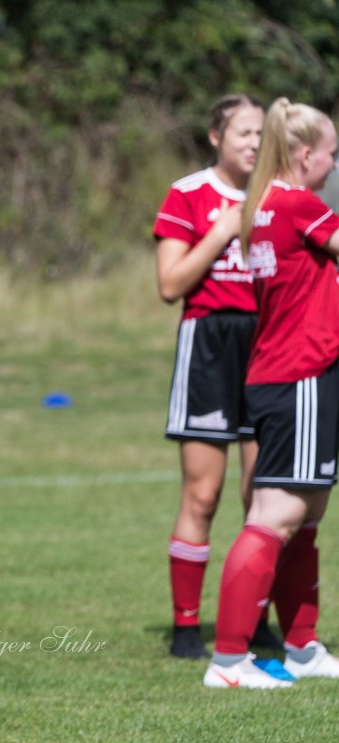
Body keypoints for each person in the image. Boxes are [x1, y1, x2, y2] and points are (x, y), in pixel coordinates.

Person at [203, 97, 339, 689]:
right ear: (306, 153)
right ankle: (229, 660)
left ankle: (301, 646)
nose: (334, 166)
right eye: (332, 154)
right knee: (274, 515)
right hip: (300, 374)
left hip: (281, 372)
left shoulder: (260, 206)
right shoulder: (298, 204)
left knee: (304, 516)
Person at [153, 94, 282, 659]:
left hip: (267, 347)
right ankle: (186, 627)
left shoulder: (278, 198)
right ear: (215, 136)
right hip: (208, 344)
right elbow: (170, 284)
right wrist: (224, 230)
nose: (253, 144)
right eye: (243, 133)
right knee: (202, 494)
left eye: (261, 134)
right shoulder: (188, 194)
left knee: (264, 499)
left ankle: (255, 622)